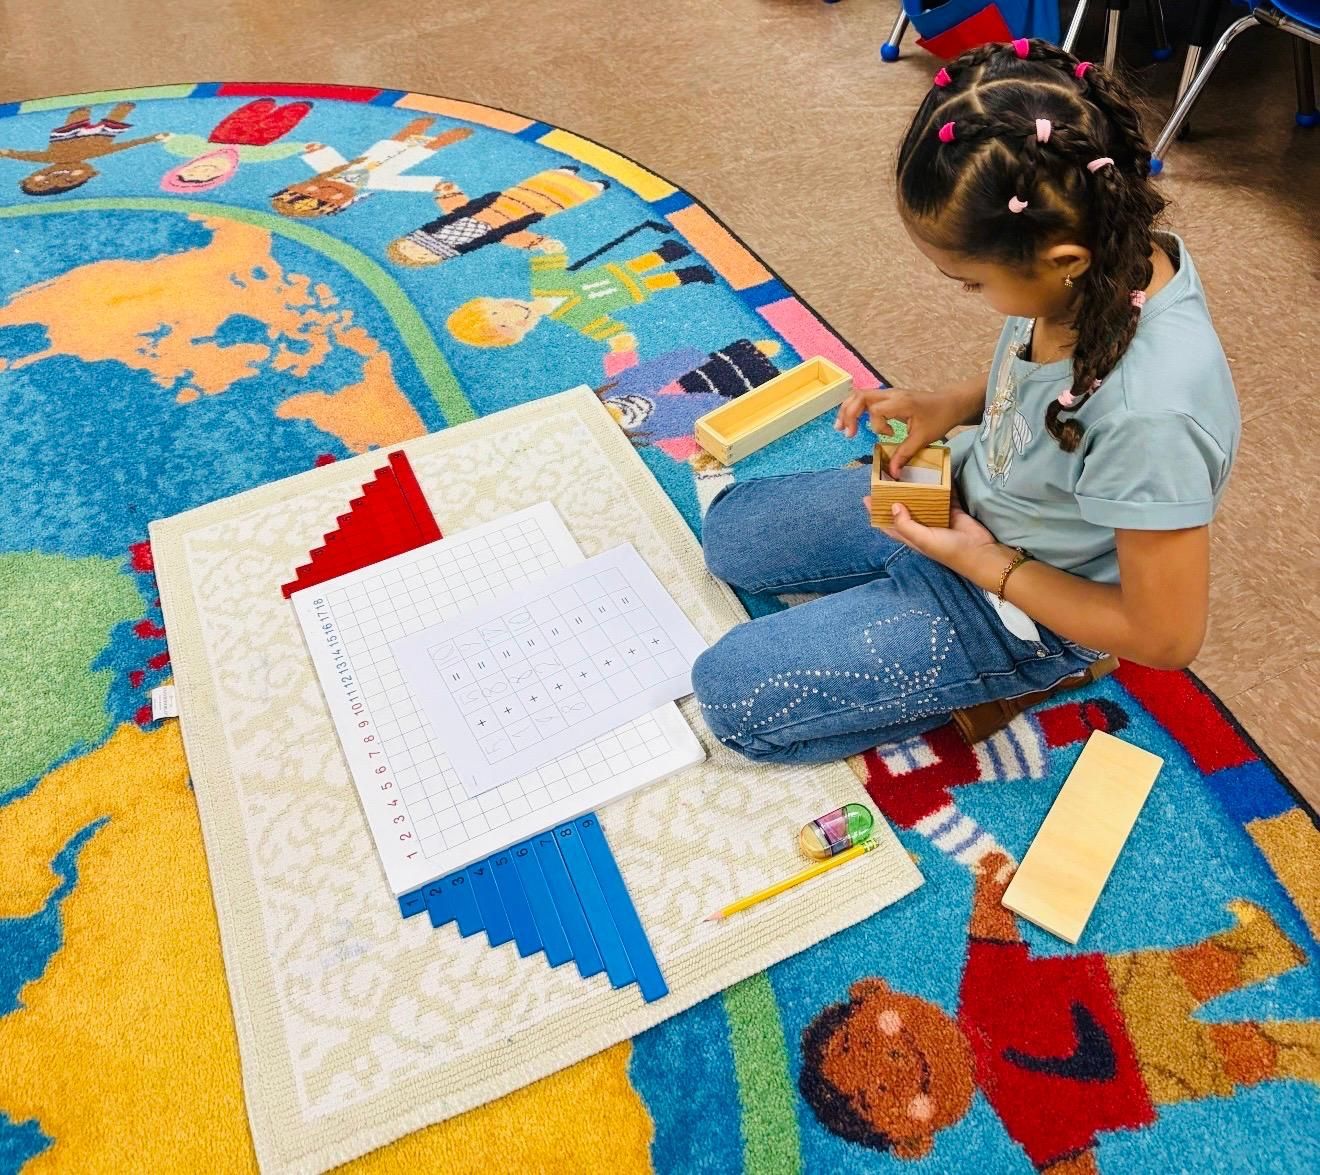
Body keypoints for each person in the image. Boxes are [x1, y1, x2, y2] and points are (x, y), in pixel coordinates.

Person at [692, 39, 1239, 763]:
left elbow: (1167, 637)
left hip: (1024, 598)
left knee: (729, 697)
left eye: (969, 283)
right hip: (973, 495)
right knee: (730, 535)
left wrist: (988, 566)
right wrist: (951, 404)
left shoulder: (1152, 418)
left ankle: (1030, 671)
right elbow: (1053, 388)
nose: (968, 297)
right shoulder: (1099, 254)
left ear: (1064, 262)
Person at [0, 103, 166, 195]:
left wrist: (7, 153)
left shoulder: (51, 156)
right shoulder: (95, 153)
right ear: (91, 174)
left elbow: (27, 156)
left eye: (41, 182)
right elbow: (122, 146)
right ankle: (122, 107)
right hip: (102, 137)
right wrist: (149, 138)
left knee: (77, 118)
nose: (57, 177)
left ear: (26, 179)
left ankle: (83, 110)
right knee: (113, 119)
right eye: (71, 179)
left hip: (67, 136)